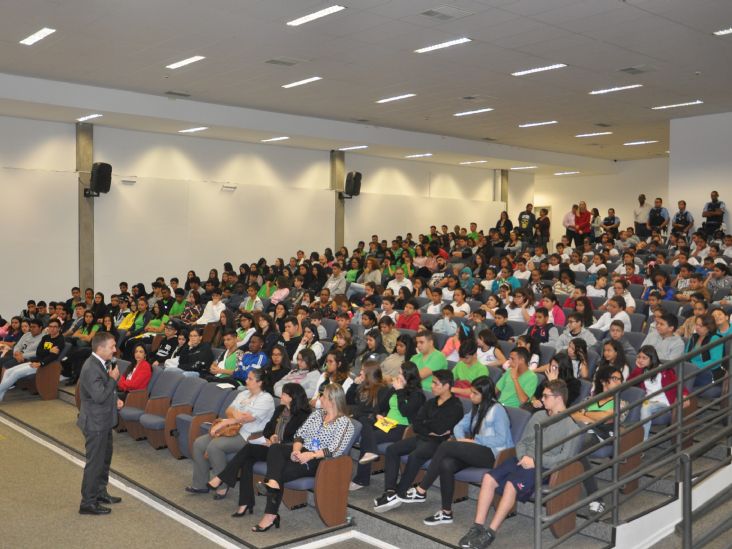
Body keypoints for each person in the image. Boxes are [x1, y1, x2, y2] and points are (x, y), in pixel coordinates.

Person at [401, 376, 513, 526]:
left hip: (494, 454)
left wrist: (474, 440)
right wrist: (462, 440)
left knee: (446, 446)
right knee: (446, 464)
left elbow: (501, 439)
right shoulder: (478, 408)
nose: (470, 396)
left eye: (474, 393)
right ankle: (446, 513)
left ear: (485, 395)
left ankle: (421, 489)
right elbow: (458, 427)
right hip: (477, 450)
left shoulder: (497, 410)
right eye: (471, 392)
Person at [253, 383, 354, 532]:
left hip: (320, 461)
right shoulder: (317, 414)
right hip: (302, 451)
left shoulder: (344, 423)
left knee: (278, 472)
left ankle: (270, 515)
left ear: (332, 401)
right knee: (276, 448)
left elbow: (336, 449)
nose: (320, 398)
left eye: (323, 396)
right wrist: (295, 450)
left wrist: (311, 455)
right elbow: (300, 434)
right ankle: (273, 485)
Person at [206, 383, 311, 515]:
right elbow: (267, 429)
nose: (281, 395)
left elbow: (298, 438)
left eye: (284, 394)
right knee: (248, 459)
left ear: (292, 397)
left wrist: (279, 441)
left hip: (286, 452)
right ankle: (244, 502)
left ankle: (225, 480)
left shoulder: (303, 415)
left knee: (248, 452)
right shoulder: (280, 409)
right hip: (272, 447)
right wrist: (270, 437)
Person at [374, 369, 464, 512]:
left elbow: (440, 429)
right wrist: (429, 427)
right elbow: (416, 423)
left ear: (446, 386)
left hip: (439, 443)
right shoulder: (432, 402)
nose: (431, 386)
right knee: (392, 450)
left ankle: (400, 492)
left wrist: (427, 425)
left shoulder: (456, 406)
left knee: (415, 455)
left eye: (435, 383)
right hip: (422, 437)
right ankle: (390, 491)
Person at [186, 369, 275, 495]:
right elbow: (229, 410)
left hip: (248, 436)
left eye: (250, 379)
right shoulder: (243, 393)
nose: (246, 380)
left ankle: (222, 484)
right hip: (230, 431)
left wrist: (227, 421)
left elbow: (247, 418)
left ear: (260, 382)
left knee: (215, 446)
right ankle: (200, 484)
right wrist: (236, 415)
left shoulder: (266, 399)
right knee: (199, 443)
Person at [76, 332, 123, 515]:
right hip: (95, 424)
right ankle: (87, 502)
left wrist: (115, 399)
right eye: (112, 347)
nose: (115, 349)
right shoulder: (91, 368)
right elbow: (99, 395)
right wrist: (113, 379)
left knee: (104, 460)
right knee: (94, 464)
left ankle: (100, 492)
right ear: (100, 348)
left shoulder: (102, 363)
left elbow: (105, 392)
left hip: (103, 421)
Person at [628, 346, 689, 440]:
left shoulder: (664, 370)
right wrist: (638, 369)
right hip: (648, 401)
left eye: (644, 358)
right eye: (639, 357)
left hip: (664, 402)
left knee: (645, 408)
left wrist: (685, 395)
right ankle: (631, 439)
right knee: (638, 406)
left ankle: (643, 443)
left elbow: (678, 384)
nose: (640, 360)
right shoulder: (642, 370)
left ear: (652, 358)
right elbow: (629, 383)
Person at [0, 319, 64, 401]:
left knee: (15, 373)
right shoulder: (46, 337)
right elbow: (39, 352)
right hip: (35, 361)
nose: (52, 329)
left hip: (43, 365)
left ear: (59, 328)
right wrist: (49, 350)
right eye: (50, 326)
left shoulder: (60, 340)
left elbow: (52, 357)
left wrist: (41, 363)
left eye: (55, 327)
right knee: (9, 371)